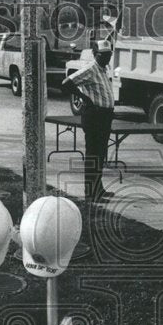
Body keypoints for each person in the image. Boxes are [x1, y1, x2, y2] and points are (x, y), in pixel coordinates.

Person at [62, 39, 116, 203]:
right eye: (102, 55)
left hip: (105, 116)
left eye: (108, 55)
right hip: (94, 115)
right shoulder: (90, 69)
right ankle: (91, 192)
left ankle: (98, 188)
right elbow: (66, 83)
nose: (106, 58)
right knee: (93, 153)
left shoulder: (104, 69)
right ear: (94, 54)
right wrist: (85, 98)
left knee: (100, 154)